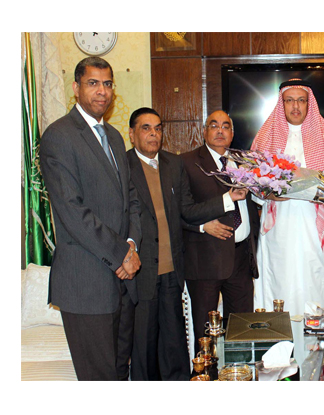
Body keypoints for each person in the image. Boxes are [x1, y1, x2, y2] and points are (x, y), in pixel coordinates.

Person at [40, 57, 142, 380]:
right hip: (86, 284)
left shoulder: (113, 136)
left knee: (118, 373)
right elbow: (72, 211)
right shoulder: (59, 136)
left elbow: (131, 199)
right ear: (76, 88)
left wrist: (132, 244)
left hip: (123, 282)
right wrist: (121, 254)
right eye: (93, 83)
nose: (102, 91)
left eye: (107, 84)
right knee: (99, 381)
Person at [125, 107, 237, 380]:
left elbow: (187, 210)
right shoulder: (122, 165)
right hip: (141, 270)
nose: (153, 134)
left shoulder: (172, 164)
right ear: (132, 134)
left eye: (158, 128)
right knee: (145, 344)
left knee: (175, 341)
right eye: (146, 128)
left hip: (173, 269)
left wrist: (228, 199)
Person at [251, 79, 324, 318]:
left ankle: (312, 347)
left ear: (308, 103)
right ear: (281, 104)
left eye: (301, 100)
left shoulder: (323, 135)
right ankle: (279, 345)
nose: (295, 106)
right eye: (289, 100)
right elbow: (253, 184)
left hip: (312, 225)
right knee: (278, 280)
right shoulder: (266, 135)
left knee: (311, 279)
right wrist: (267, 193)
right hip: (278, 226)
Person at [181, 110, 260, 345]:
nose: (220, 130)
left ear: (232, 133)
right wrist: (205, 224)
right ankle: (207, 378)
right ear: (204, 131)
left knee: (242, 330)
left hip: (241, 259)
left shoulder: (245, 161)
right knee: (207, 335)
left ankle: (239, 377)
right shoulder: (187, 162)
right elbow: (180, 210)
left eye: (225, 126)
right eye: (213, 125)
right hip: (205, 259)